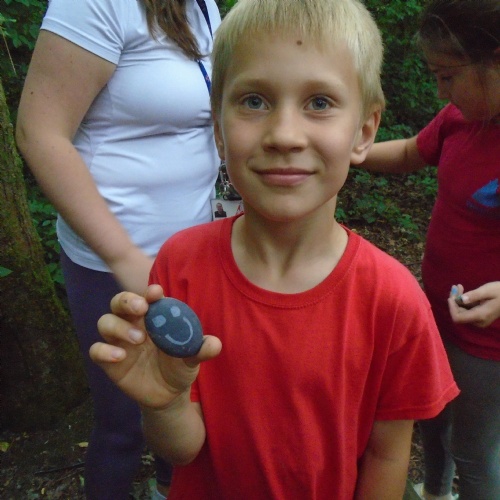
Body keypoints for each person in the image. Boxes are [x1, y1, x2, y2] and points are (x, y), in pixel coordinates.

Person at [89, 0, 460, 498]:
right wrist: (165, 404)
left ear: (365, 132)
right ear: (219, 130)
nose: (284, 135)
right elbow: (183, 451)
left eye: (320, 103)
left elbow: (387, 455)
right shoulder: (181, 265)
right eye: (254, 101)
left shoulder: (392, 300)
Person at [15, 0, 221, 498]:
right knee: (122, 421)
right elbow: (39, 132)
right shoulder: (96, 4)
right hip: (114, 264)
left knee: (187, 401)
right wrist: (125, 258)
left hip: (191, 253)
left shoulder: (203, 7)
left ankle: (166, 490)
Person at [357, 1, 500, 499]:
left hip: (487, 339)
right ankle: (434, 493)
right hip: (435, 309)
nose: (441, 92)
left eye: (448, 76)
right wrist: (347, 151)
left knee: (475, 452)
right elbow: (410, 152)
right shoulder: (462, 118)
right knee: (431, 416)